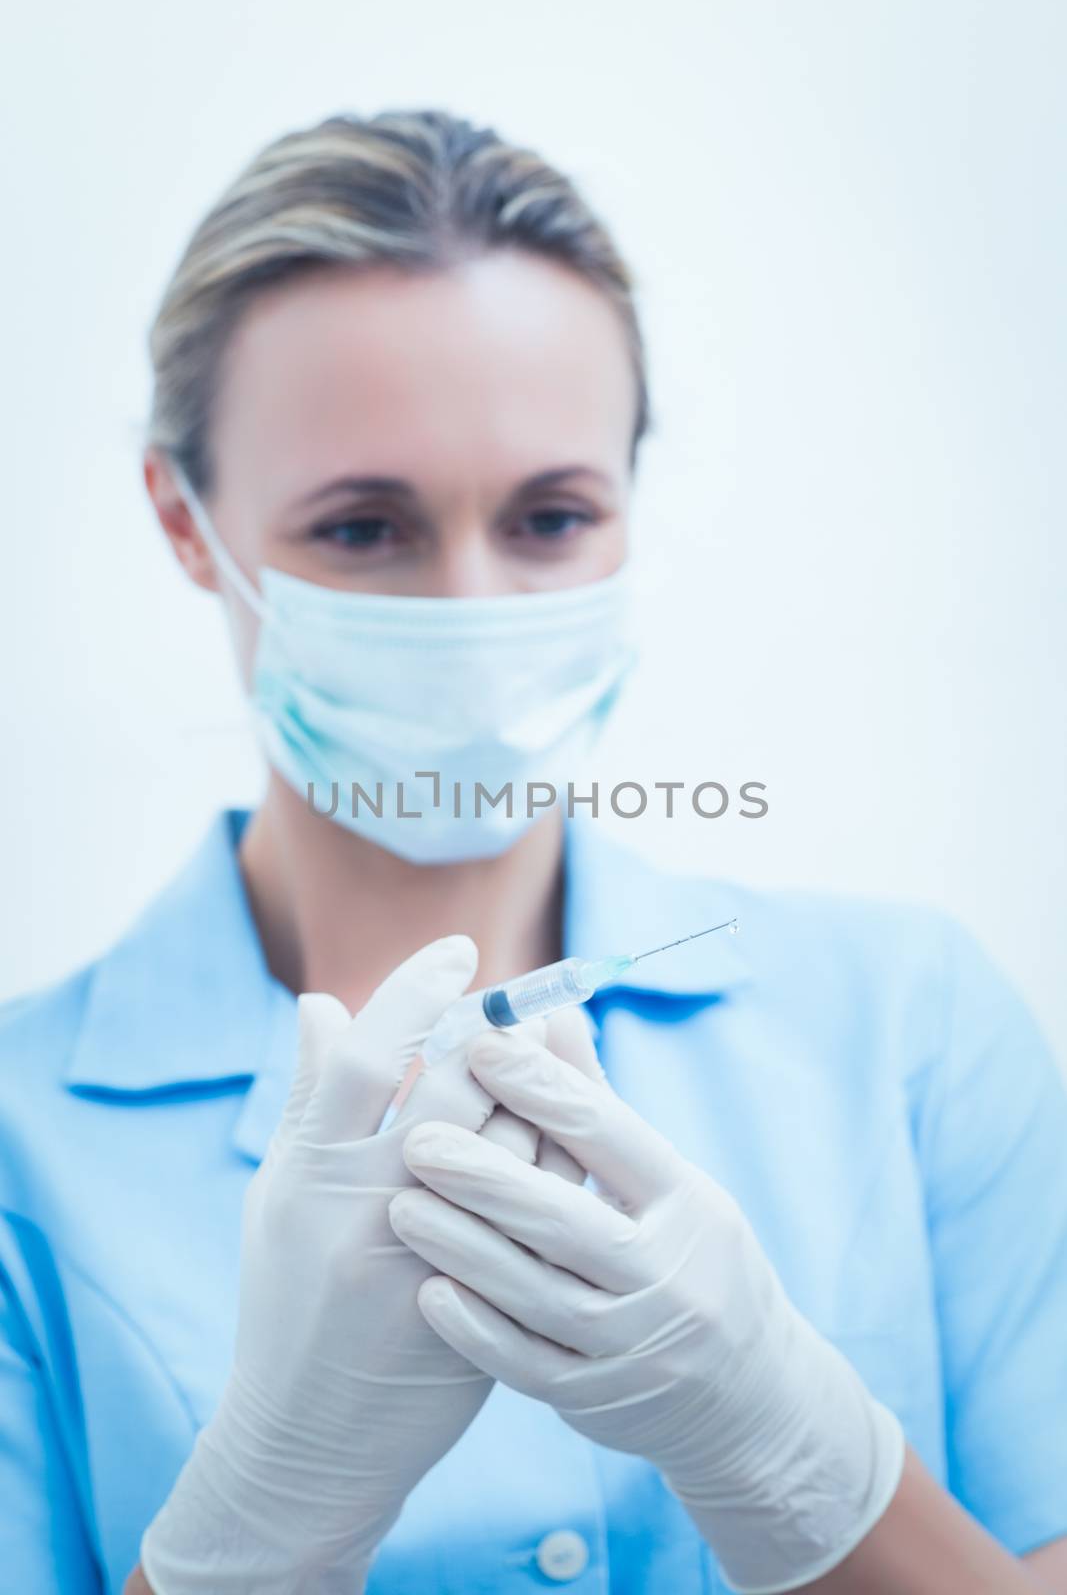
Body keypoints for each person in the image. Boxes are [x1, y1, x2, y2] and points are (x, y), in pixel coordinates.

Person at [1, 108, 1065, 1595]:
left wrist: (803, 1462)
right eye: (365, 527)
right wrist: (249, 1541)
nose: (472, 608)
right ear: (186, 522)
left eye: (553, 516)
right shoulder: (18, 1144)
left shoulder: (912, 1031)